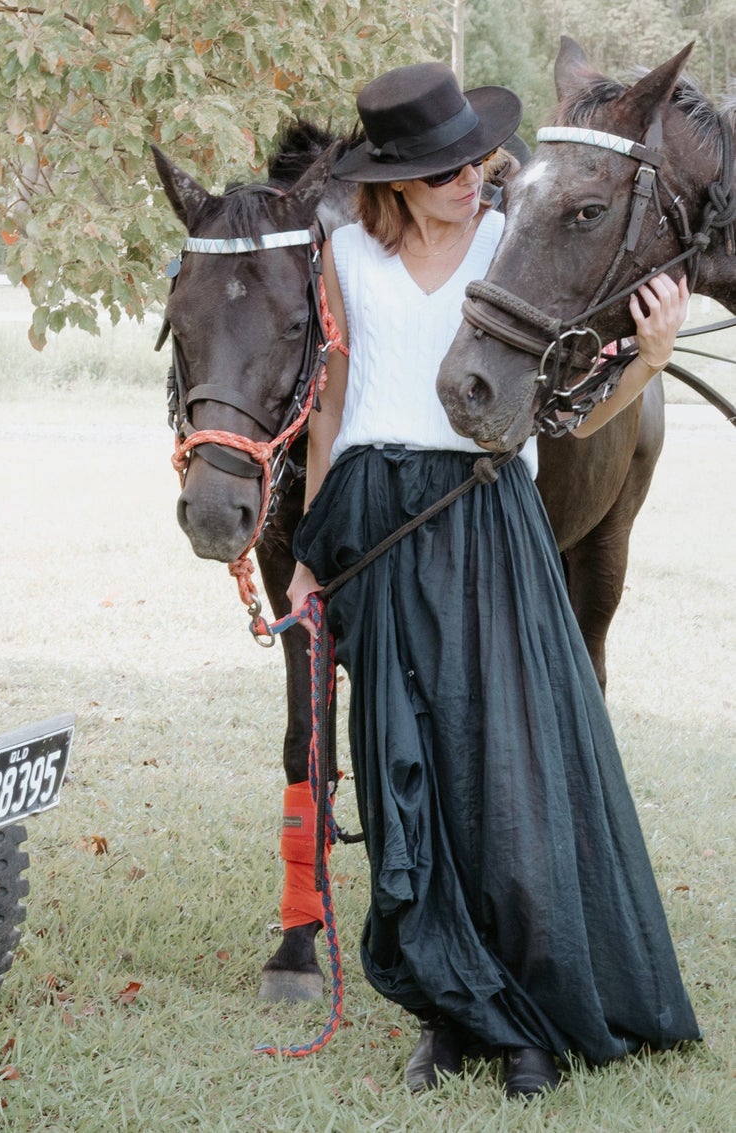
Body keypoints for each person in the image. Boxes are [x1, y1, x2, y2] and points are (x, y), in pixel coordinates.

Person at [284, 62, 700, 1100]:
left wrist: (644, 363)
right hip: (375, 525)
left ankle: (525, 1021)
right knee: (399, 776)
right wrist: (305, 551)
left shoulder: (506, 240)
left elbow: (560, 419)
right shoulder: (340, 251)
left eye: (473, 159)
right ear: (390, 180)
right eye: (441, 172)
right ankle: (446, 1013)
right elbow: (331, 410)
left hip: (482, 516)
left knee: (503, 782)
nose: (469, 179)